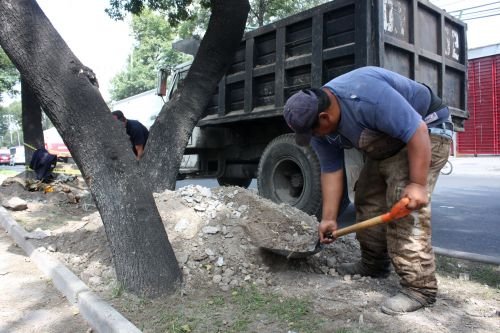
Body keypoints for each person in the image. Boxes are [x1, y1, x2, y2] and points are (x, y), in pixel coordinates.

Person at [283, 66, 452, 315]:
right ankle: (374, 264)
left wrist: (416, 184)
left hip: (427, 130)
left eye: (313, 132)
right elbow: (331, 169)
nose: (314, 137)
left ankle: (420, 288)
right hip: (389, 142)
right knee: (366, 196)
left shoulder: (365, 96)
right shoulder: (319, 122)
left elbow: (417, 131)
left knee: (404, 205)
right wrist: (329, 219)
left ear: (324, 118)